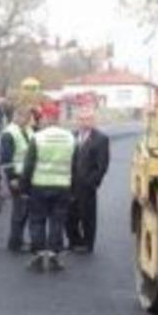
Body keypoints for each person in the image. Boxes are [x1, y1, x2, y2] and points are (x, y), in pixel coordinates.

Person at [20, 102, 76, 272]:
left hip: (39, 185)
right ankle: (53, 257)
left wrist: (24, 188)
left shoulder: (38, 137)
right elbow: (75, 165)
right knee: (57, 221)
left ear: (45, 117)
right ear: (58, 118)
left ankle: (38, 256)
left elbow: (29, 165)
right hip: (62, 186)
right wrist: (73, 189)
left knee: (37, 221)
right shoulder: (70, 138)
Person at [66, 98, 109, 253]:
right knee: (70, 216)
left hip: (87, 185)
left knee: (88, 217)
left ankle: (87, 244)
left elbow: (102, 166)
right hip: (70, 183)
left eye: (88, 119)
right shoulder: (71, 136)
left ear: (93, 120)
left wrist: (92, 183)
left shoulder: (101, 139)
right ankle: (74, 241)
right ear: (77, 121)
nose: (85, 122)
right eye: (82, 119)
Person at [0, 102, 34, 252]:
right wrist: (12, 178)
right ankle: (14, 243)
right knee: (20, 210)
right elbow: (6, 159)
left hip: (27, 176)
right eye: (25, 117)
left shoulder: (27, 129)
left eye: (28, 117)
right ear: (17, 116)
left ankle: (18, 240)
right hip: (17, 176)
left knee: (24, 210)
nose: (27, 120)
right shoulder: (9, 133)